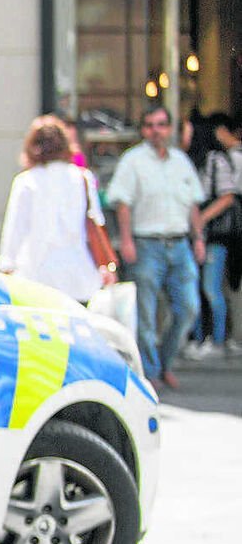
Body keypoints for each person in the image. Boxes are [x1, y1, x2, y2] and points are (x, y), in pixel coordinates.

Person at [107, 105, 206, 389]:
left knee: (188, 307)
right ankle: (151, 371)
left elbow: (193, 204)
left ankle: (165, 361)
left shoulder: (180, 162)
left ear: (170, 128)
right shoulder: (133, 161)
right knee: (146, 314)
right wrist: (126, 240)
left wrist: (198, 238)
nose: (156, 130)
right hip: (146, 243)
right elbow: (122, 203)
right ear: (143, 130)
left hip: (179, 244)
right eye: (149, 125)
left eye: (161, 125)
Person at [0, 115, 116, 303]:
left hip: (36, 276)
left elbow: (16, 228)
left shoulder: (26, 182)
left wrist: (7, 264)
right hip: (78, 275)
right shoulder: (82, 178)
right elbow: (96, 222)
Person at [190, 114, 240, 358]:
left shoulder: (216, 160)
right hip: (198, 233)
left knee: (210, 287)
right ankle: (199, 337)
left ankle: (216, 339)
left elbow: (228, 196)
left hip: (215, 234)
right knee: (197, 287)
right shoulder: (189, 161)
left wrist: (202, 217)